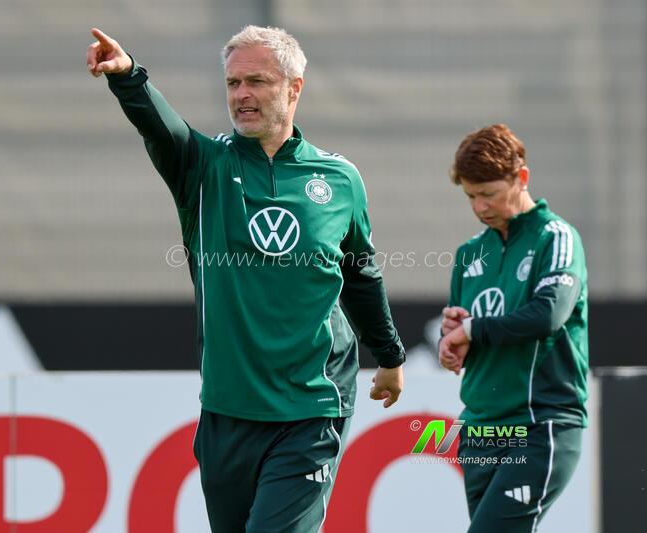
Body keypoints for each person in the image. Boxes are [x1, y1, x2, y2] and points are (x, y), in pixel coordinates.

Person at [86, 25, 405, 532]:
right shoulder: (204, 167)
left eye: (256, 81)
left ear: (294, 87)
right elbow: (161, 128)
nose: (242, 95)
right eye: (233, 84)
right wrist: (128, 77)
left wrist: (388, 355)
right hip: (227, 412)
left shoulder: (339, 179)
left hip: (312, 406)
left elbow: (360, 272)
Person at [438, 124, 588, 532]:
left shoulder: (555, 238)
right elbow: (468, 327)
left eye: (488, 193)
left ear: (521, 179)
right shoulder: (471, 253)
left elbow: (548, 315)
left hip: (540, 424)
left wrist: (471, 331)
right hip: (481, 428)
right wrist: (451, 342)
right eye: (471, 196)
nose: (480, 206)